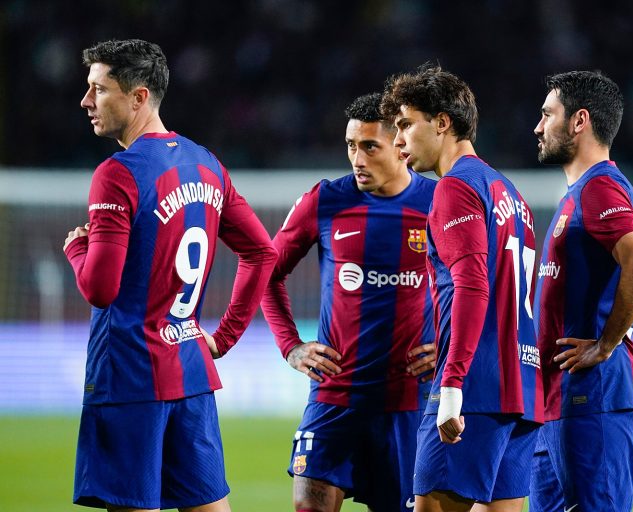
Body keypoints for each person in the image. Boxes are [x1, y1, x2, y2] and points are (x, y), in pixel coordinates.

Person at [63, 39, 278, 511]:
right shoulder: (205, 162)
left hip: (130, 376)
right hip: (190, 371)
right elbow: (263, 252)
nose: (86, 101)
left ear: (138, 97)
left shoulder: (118, 173)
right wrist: (222, 337)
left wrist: (78, 249)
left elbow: (100, 289)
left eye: (98, 90)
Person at [260, 92, 438, 512]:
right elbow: (265, 273)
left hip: (408, 402)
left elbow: (479, 287)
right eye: (351, 146)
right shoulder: (325, 200)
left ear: (399, 145)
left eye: (369, 147)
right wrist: (291, 345)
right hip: (335, 396)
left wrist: (450, 349)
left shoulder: (438, 203)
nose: (357, 158)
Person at [380, 65, 544, 512]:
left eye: (405, 124)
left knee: (430, 505)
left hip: (475, 385)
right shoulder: (509, 192)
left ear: (441, 122)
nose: (398, 141)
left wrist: (452, 382)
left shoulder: (455, 189)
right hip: (522, 387)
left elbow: (472, 285)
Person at [529, 70, 633, 512]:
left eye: (548, 115)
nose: (538, 127)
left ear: (579, 120)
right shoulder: (577, 194)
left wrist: (606, 344)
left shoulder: (601, 187)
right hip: (557, 401)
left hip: (593, 396)